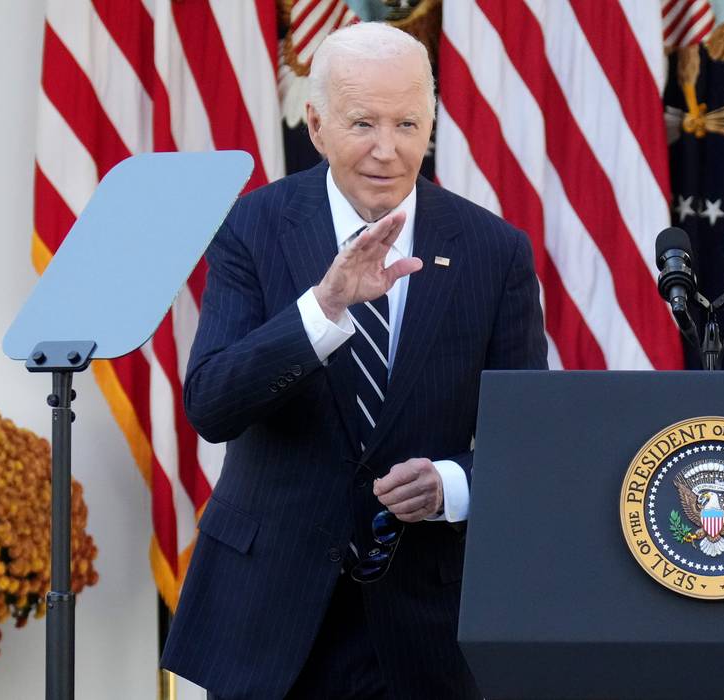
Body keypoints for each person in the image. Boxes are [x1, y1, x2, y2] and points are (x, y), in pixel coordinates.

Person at [160, 21, 548, 699]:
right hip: (268, 613)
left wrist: (451, 486)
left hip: (422, 618)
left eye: (407, 123)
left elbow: (532, 441)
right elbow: (212, 403)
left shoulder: (495, 252)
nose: (387, 151)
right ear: (315, 124)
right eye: (363, 123)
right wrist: (324, 308)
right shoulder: (252, 227)